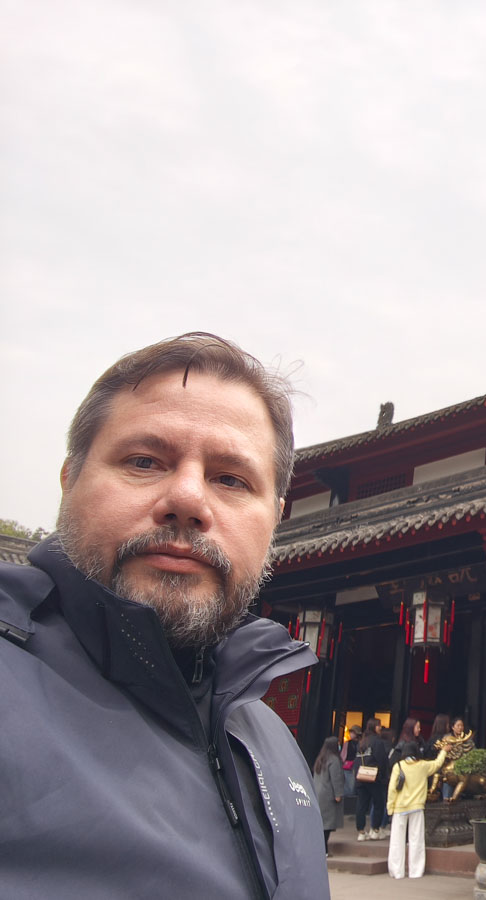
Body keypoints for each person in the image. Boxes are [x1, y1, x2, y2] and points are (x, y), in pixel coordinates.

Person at [0, 333, 328, 899]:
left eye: (231, 479)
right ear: (69, 478)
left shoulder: (268, 738)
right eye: (144, 461)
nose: (188, 499)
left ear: (276, 517)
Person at [385, 742, 447, 879]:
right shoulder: (422, 766)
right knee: (416, 839)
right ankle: (416, 871)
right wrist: (443, 751)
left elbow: (392, 789)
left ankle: (397, 871)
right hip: (417, 807)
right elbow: (437, 764)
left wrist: (390, 807)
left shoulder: (398, 766)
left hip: (400, 807)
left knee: (397, 840)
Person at [354, 717, 389, 841]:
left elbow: (356, 761)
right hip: (374, 777)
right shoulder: (377, 742)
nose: (380, 728)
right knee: (378, 803)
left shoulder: (361, 742)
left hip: (361, 776)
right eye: (379, 725)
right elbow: (382, 760)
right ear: (374, 727)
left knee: (361, 805)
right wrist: (384, 776)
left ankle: (361, 832)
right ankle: (375, 829)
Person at [313, 736, 344, 854]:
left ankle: (322, 849)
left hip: (319, 793)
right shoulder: (334, 760)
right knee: (327, 825)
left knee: (322, 823)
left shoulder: (320, 758)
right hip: (328, 795)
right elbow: (336, 778)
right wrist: (338, 794)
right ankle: (324, 850)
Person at [342, 724, 362, 797]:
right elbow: (343, 755)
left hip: (357, 766)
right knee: (347, 783)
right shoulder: (347, 743)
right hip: (347, 766)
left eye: (352, 732)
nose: (351, 734)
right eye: (350, 732)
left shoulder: (362, 743)